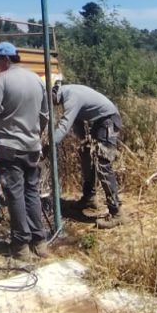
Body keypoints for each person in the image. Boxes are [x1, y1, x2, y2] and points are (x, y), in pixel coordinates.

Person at [0, 41, 49, 260]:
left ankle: (21, 246)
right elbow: (45, 114)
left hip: (10, 147)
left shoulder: (1, 80)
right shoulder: (36, 79)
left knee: (15, 195)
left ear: (4, 59)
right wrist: (35, 135)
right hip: (33, 146)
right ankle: (40, 243)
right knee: (32, 192)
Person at [50, 80, 128, 228]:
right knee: (86, 154)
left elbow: (65, 123)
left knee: (103, 163)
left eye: (50, 101)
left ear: (53, 94)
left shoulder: (70, 96)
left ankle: (117, 213)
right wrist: (83, 140)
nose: (53, 105)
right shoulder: (69, 92)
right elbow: (77, 121)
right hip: (100, 122)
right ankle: (89, 198)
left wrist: (50, 143)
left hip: (108, 120)